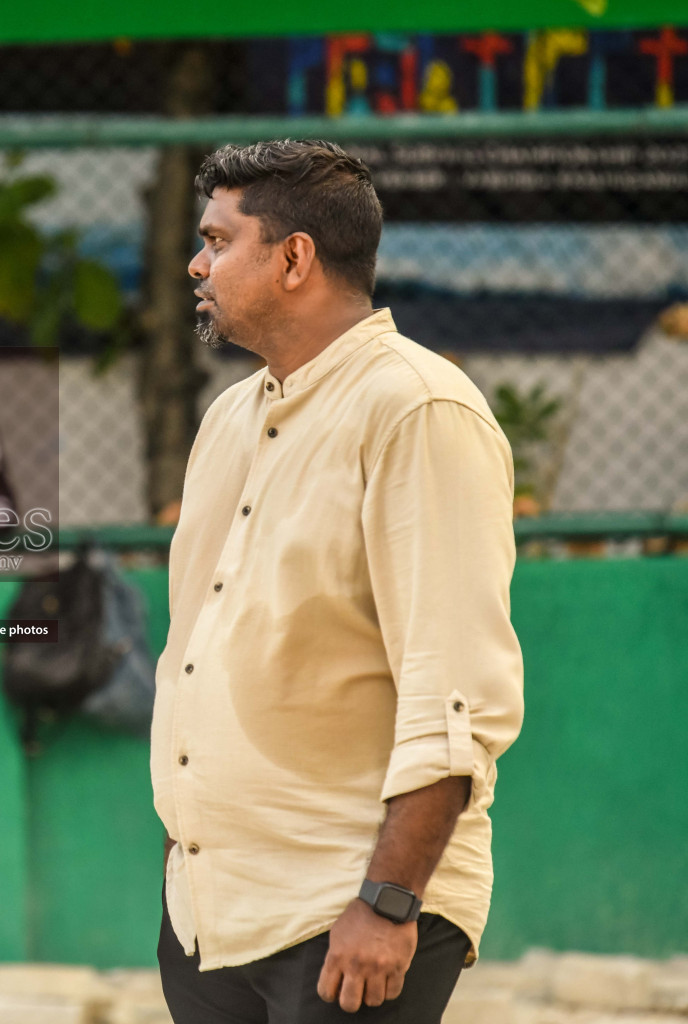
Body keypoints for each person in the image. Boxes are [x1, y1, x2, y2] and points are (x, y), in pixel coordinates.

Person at [151, 140, 524, 1022]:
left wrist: (389, 902)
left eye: (216, 239)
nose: (194, 263)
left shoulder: (417, 410)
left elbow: (454, 697)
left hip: (350, 915)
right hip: (211, 917)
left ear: (294, 258)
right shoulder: (231, 418)